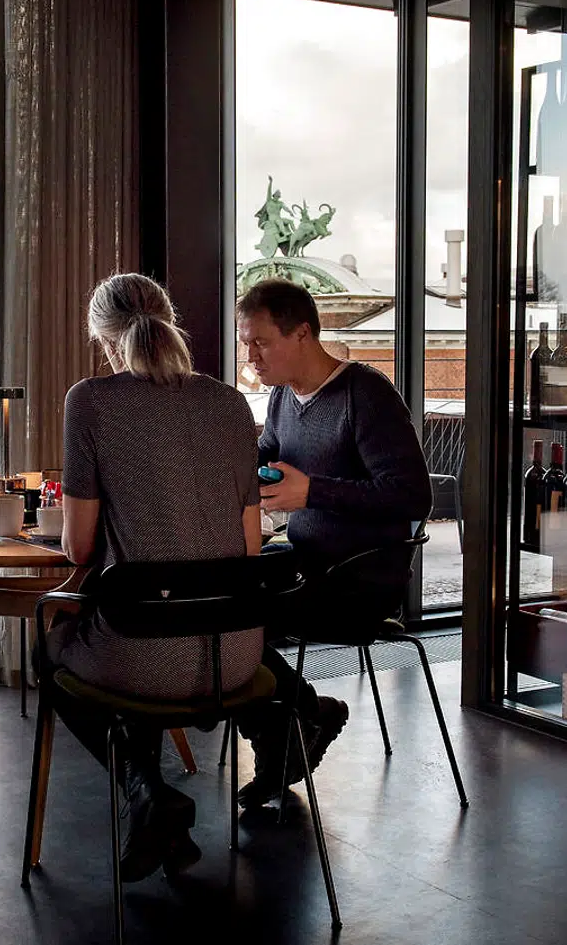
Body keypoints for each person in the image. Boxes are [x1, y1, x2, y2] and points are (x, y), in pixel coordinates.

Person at [51, 272, 264, 880]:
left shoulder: (89, 401)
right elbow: (248, 547)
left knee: (60, 652)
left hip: (141, 654)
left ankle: (147, 792)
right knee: (130, 631)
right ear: (168, 320)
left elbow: (79, 547)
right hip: (235, 655)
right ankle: (156, 814)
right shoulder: (228, 402)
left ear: (104, 339)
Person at [234, 277, 433, 808]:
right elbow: (269, 463)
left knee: (233, 618)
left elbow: (413, 496)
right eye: (245, 343)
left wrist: (312, 491)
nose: (250, 356)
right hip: (307, 564)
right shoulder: (281, 397)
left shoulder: (365, 395)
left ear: (303, 333)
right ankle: (298, 722)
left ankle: (291, 728)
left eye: (261, 342)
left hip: (360, 581)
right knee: (217, 602)